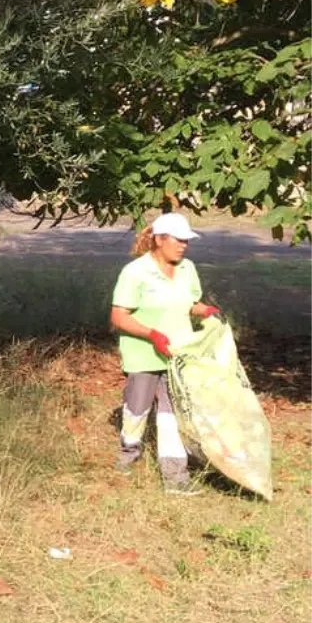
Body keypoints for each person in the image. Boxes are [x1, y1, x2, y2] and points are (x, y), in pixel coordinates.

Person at [109, 211, 220, 494]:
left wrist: (204, 310)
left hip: (177, 353)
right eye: (178, 240)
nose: (183, 245)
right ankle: (129, 453)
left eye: (186, 241)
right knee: (137, 409)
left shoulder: (188, 269)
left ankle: (175, 477)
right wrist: (151, 334)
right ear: (159, 239)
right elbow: (119, 316)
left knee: (172, 415)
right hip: (143, 352)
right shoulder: (135, 272)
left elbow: (189, 303)